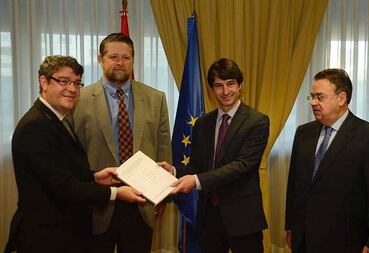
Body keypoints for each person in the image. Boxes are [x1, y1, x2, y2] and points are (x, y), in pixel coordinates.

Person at [5, 55, 144, 253]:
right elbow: (63, 187)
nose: (72, 89)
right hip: (47, 237)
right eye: (64, 81)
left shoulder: (54, 118)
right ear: (44, 82)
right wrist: (116, 193)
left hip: (63, 232)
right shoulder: (36, 126)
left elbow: (62, 168)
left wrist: (94, 177)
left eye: (77, 83)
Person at [72, 33, 172, 253]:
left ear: (133, 60)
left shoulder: (156, 98)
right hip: (97, 203)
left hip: (142, 202)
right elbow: (72, 154)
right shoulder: (78, 100)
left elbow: (164, 148)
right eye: (113, 56)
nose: (120, 62)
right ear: (100, 59)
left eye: (126, 57)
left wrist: (163, 193)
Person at [159, 58, 269, 253]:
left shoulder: (257, 121)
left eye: (230, 84)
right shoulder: (202, 124)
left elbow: (242, 165)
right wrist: (174, 170)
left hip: (243, 217)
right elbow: (197, 165)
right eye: (219, 85)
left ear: (240, 86)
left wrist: (196, 180)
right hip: (209, 216)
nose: (225, 91)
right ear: (212, 89)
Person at [285, 68, 369, 253]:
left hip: (347, 240)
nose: (313, 102)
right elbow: (294, 185)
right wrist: (290, 226)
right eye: (311, 97)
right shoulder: (303, 133)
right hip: (305, 237)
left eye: (320, 97)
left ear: (341, 98)